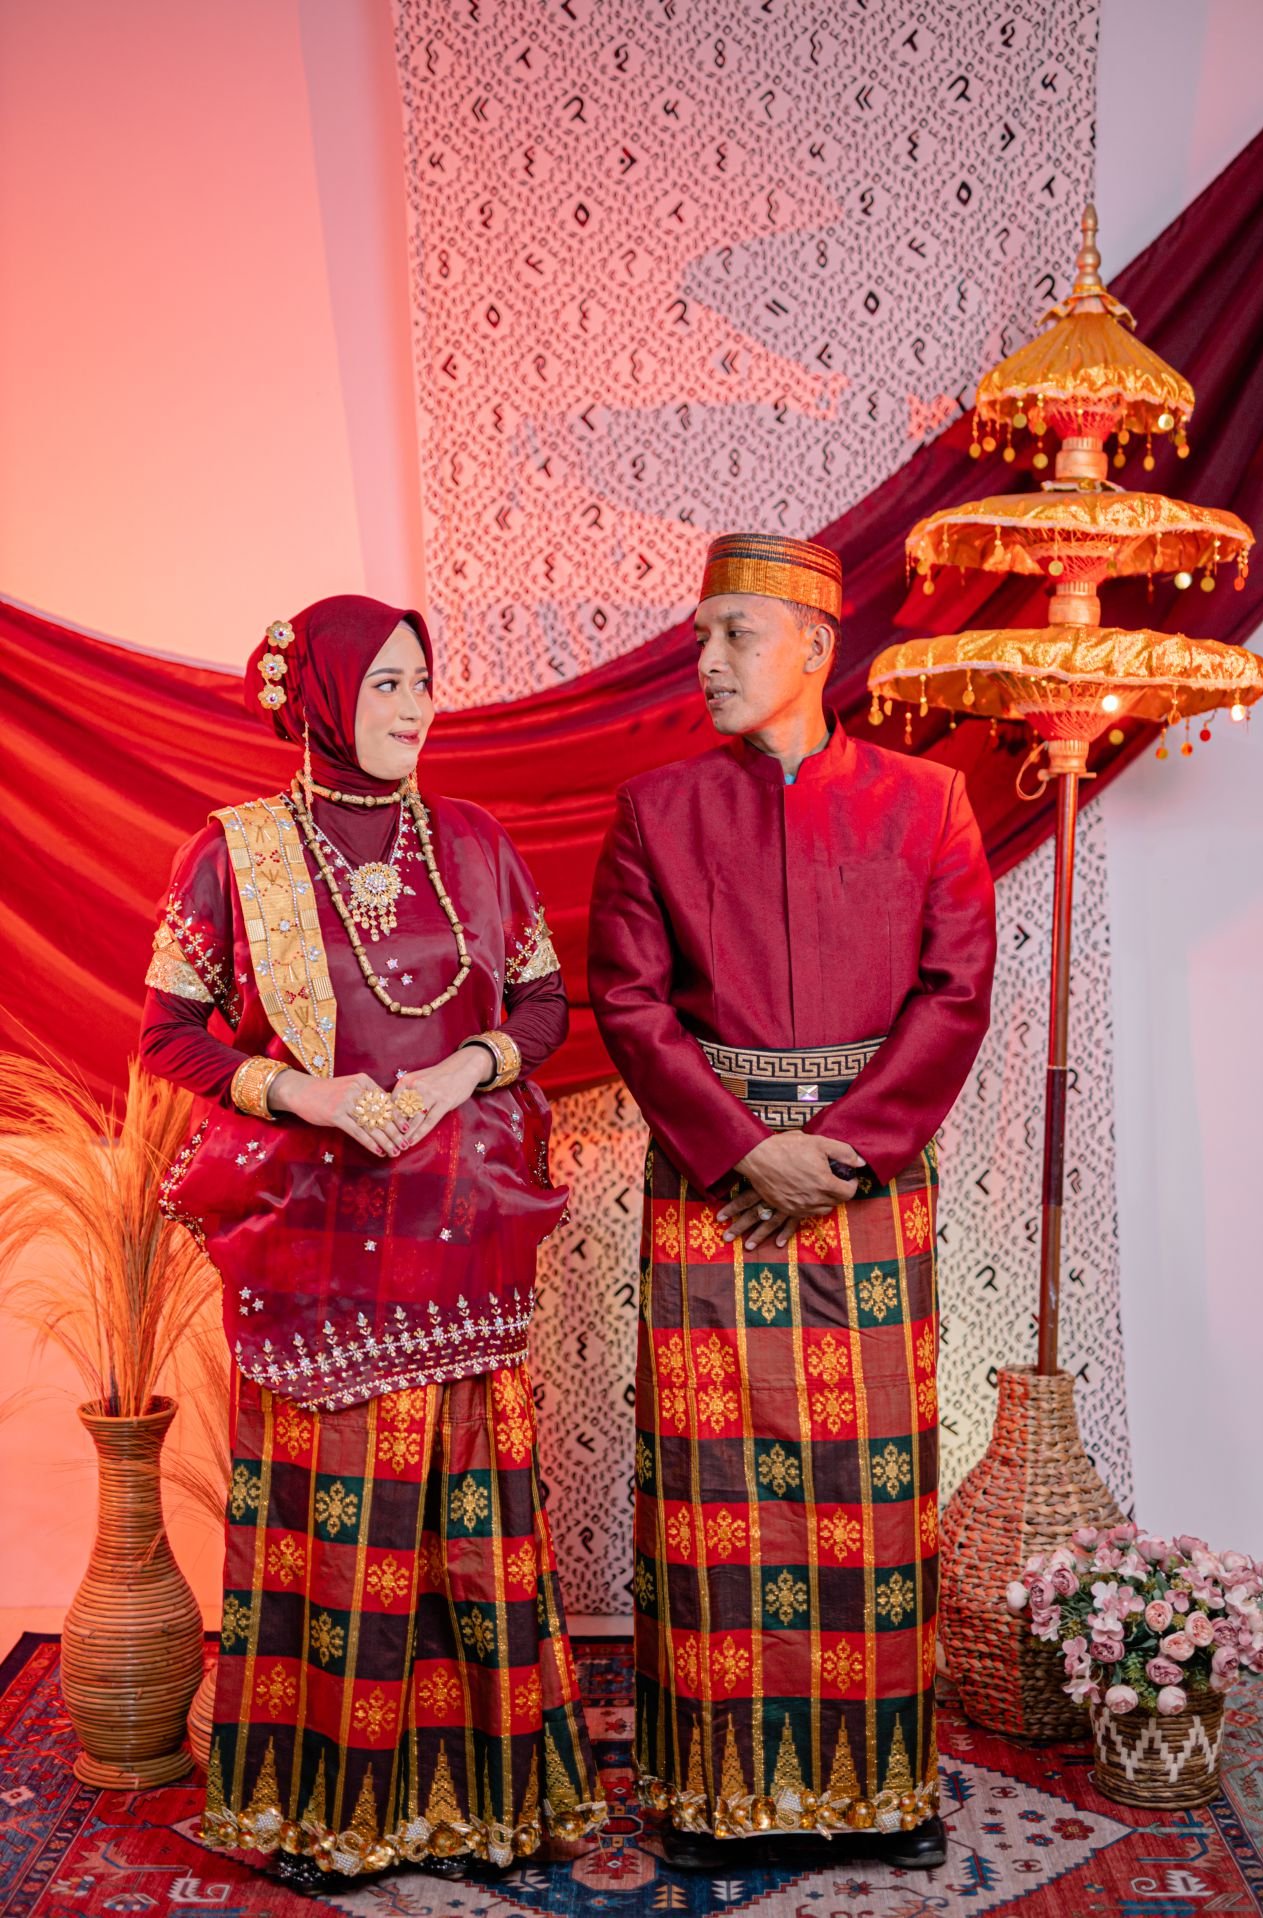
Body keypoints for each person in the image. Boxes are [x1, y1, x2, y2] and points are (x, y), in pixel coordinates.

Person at [141, 596, 602, 1888]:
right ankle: (327, 1807)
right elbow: (168, 1033)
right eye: (386, 683)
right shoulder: (234, 852)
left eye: (422, 681)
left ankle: (485, 1805)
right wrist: (309, 1095)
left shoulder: (474, 842)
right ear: (322, 696)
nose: (414, 707)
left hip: (460, 1227)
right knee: (334, 1516)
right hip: (318, 1238)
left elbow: (546, 1004)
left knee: (468, 1515)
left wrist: (463, 1070)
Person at [587, 534, 996, 1872]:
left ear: (817, 647)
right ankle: (715, 1796)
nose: (707, 662)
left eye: (737, 635)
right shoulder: (655, 809)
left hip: (866, 1190)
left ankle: (879, 1790)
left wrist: (843, 1151)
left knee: (868, 1486)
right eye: (701, 637)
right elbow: (629, 1002)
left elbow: (956, 993)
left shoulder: (929, 801)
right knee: (717, 1485)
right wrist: (740, 1148)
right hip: (713, 1191)